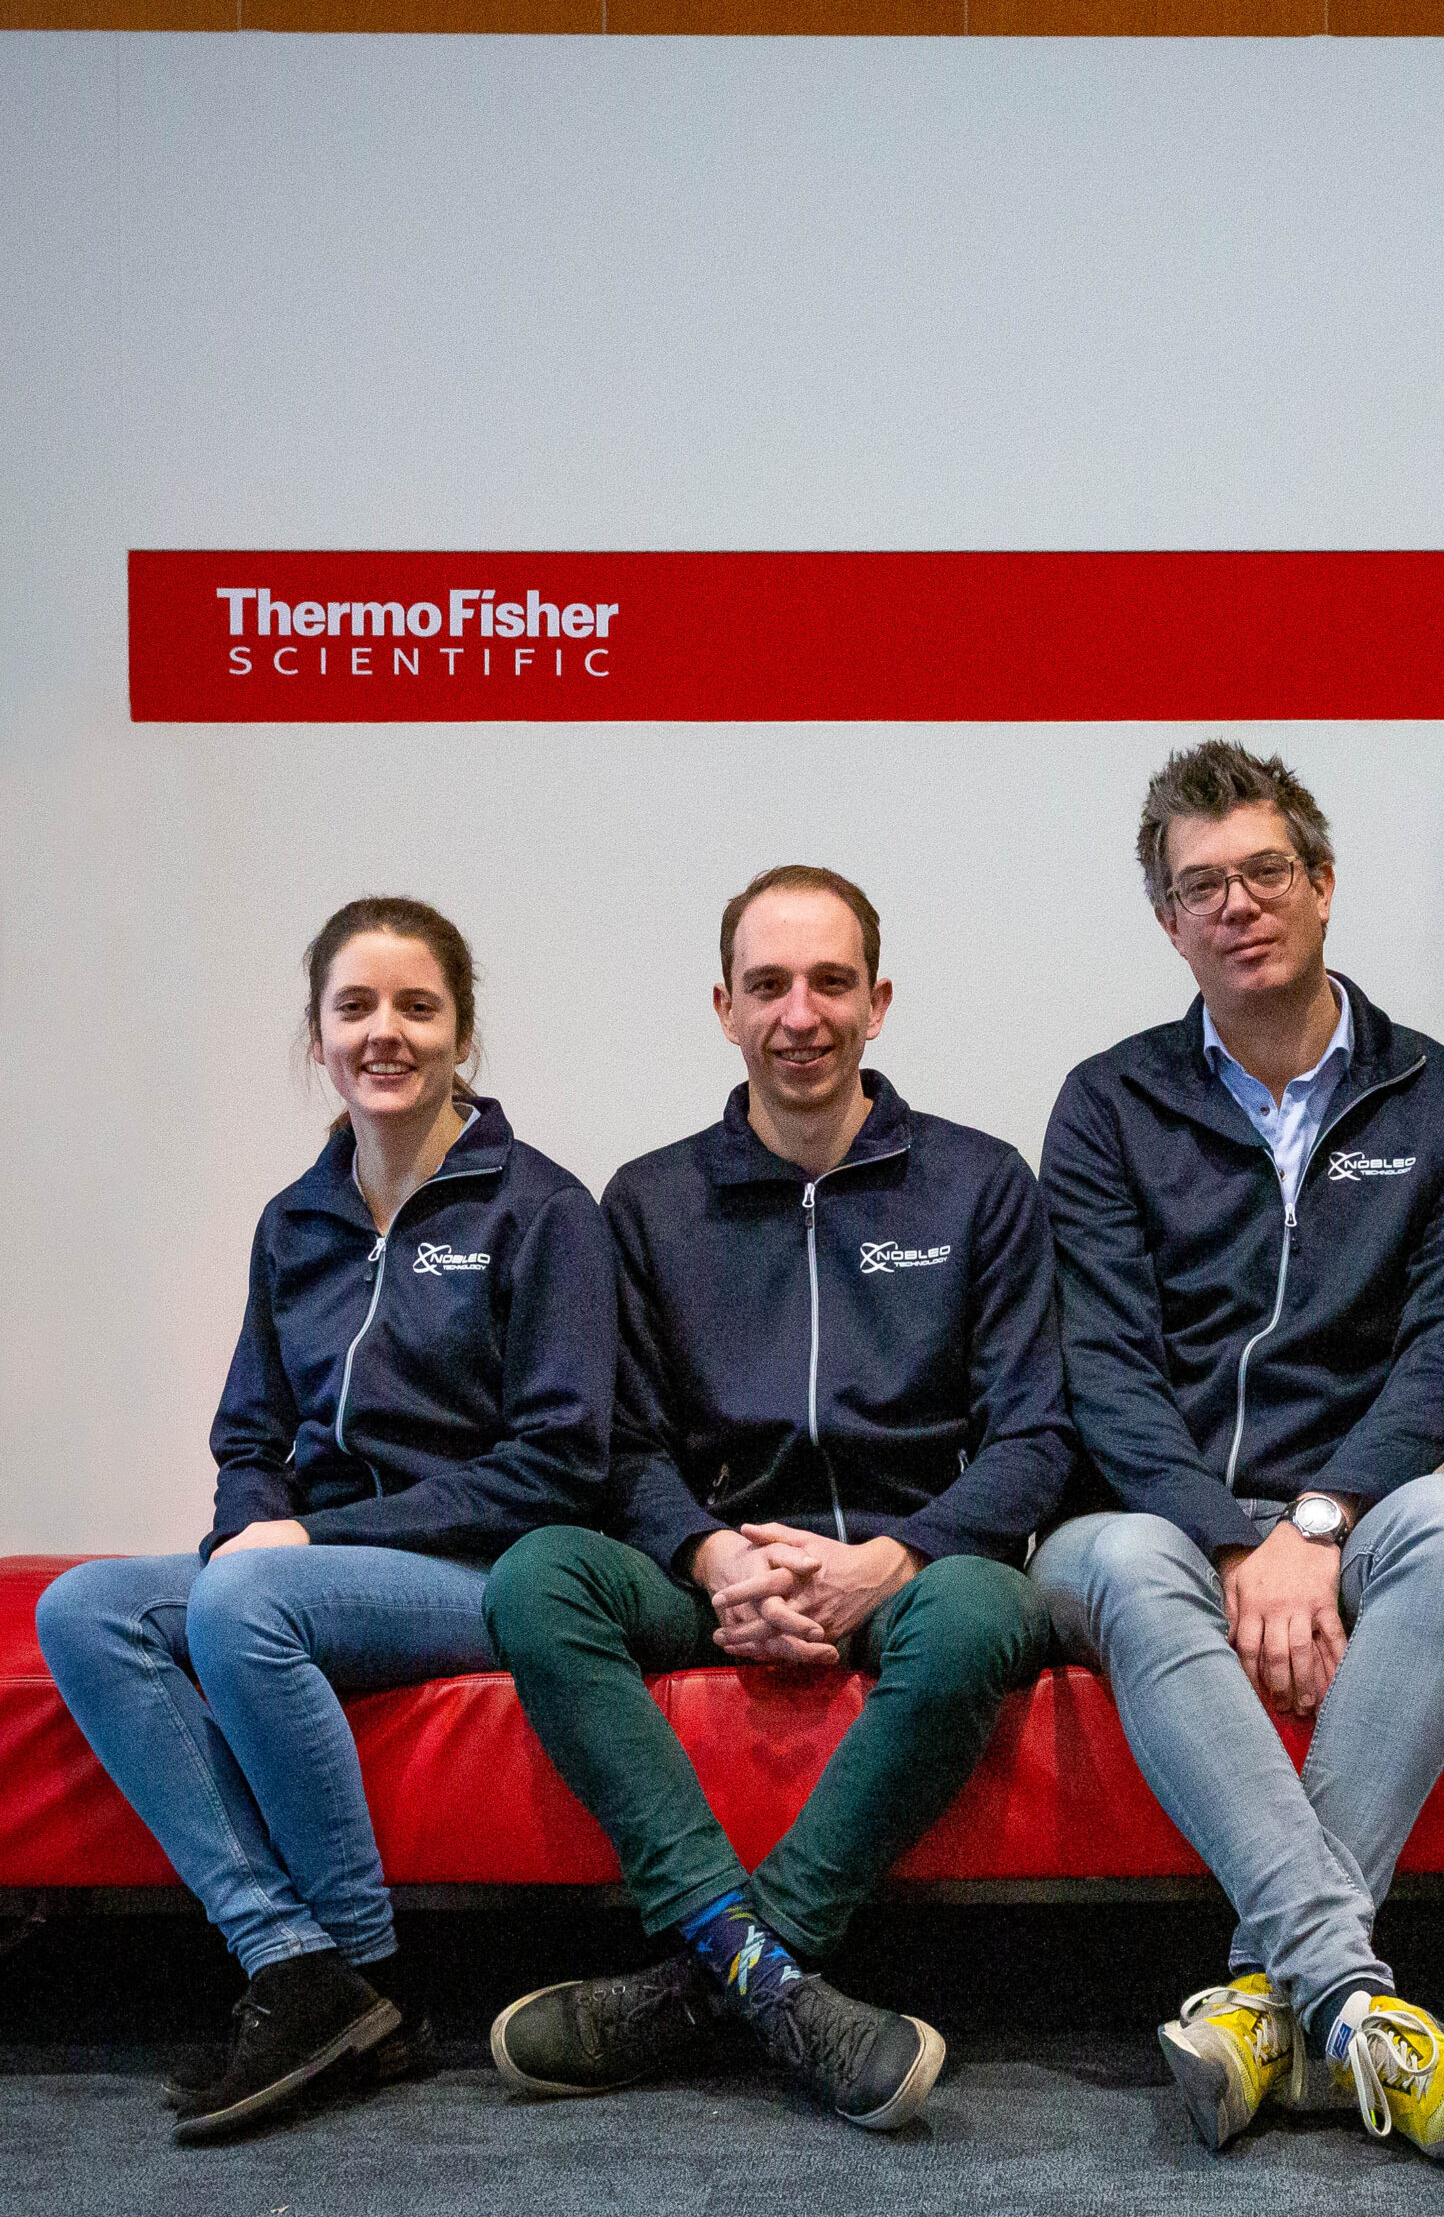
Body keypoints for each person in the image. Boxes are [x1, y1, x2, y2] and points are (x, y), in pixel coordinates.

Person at [481, 866, 1066, 2131]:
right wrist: (713, 1560)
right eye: (769, 985)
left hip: (911, 1576)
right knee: (537, 1574)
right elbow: (622, 1447)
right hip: (719, 1577)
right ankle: (769, 1977)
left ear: (878, 1001)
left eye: (831, 982)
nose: (801, 1014)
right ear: (725, 1007)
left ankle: (717, 1976)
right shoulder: (648, 1200)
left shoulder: (979, 1182)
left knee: (983, 1610)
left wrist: (891, 1559)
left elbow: (1034, 1437)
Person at [36, 896, 615, 2145]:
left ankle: (363, 1962)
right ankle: (295, 1963)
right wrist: (260, 1523)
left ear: (463, 1034)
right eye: (354, 1007)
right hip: (306, 1573)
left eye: (417, 1006)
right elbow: (251, 1437)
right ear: (318, 1036)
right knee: (81, 1606)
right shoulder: (293, 1220)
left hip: (478, 1569)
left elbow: (562, 1463)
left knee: (247, 1596)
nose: (383, 1032)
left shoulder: (543, 1210)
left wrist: (304, 1545)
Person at [1033, 742, 1444, 2170]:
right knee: (1135, 1555)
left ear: (1320, 884)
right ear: (1167, 923)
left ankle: (1270, 1996)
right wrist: (1232, 1537)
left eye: (1264, 871)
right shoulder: (1108, 1103)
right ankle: (1357, 2005)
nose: (1237, 905)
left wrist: (1316, 1522)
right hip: (1146, 1521)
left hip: (1348, 1514)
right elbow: (1106, 1371)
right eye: (1202, 887)